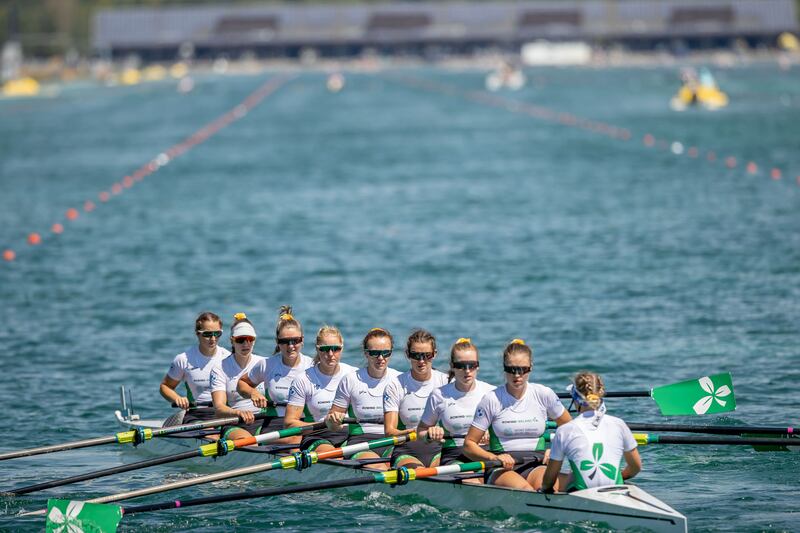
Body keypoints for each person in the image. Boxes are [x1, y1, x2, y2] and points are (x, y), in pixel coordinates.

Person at [463, 338, 571, 490]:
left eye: (522, 369)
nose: (517, 375)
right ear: (504, 368)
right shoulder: (492, 399)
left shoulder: (544, 394)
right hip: (501, 468)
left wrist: (554, 450)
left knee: (548, 487)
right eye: (512, 369)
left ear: (531, 368)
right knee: (525, 490)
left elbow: (571, 429)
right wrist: (494, 458)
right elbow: (468, 445)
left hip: (536, 464)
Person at [538, 371, 641, 493]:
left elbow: (549, 481)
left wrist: (544, 491)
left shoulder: (564, 430)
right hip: (616, 490)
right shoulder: (619, 424)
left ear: (575, 399)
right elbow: (636, 467)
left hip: (581, 495)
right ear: (600, 395)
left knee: (569, 479)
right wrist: (620, 476)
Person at [325, 327, 400, 470]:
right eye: (374, 353)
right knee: (380, 467)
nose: (381, 358)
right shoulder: (351, 380)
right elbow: (331, 425)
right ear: (366, 354)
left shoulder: (399, 379)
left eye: (386, 353)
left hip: (393, 441)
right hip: (361, 443)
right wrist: (333, 420)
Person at [417, 338, 495, 473]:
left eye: (472, 365)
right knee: (474, 480)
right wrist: (430, 435)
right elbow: (420, 432)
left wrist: (492, 431)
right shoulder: (439, 395)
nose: (467, 371)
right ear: (452, 366)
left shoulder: (491, 392)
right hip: (454, 456)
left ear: (478, 366)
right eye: (461, 366)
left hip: (486, 454)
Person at [238, 306, 313, 444]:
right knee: (295, 438)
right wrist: (253, 393)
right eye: (284, 342)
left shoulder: (312, 366)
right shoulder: (267, 365)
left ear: (302, 340)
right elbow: (241, 384)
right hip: (274, 425)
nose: (291, 346)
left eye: (295, 341)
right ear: (277, 342)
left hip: (305, 425)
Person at [284, 325, 356, 453]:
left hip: (349, 435)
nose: (330, 354)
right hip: (317, 435)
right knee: (334, 456)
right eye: (325, 349)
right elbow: (289, 423)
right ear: (317, 350)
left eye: (336, 349)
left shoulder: (353, 374)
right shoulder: (303, 380)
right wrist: (325, 425)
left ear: (342, 349)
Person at [383, 329, 448, 468]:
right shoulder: (396, 385)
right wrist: (416, 433)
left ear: (434, 354)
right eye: (416, 355)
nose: (421, 361)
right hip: (408, 451)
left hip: (441, 450)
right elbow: (389, 432)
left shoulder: (446, 382)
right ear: (408, 355)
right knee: (419, 471)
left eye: (427, 355)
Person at [160, 311, 230, 425]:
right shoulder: (183, 359)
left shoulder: (228, 357)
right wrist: (177, 399)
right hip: (197, 414)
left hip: (224, 413)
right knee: (215, 436)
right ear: (197, 333)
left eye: (217, 333)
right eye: (207, 334)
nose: (213, 338)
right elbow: (165, 387)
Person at [210, 313, 266, 440]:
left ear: (254, 340)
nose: (246, 344)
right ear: (232, 340)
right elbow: (219, 408)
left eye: (250, 339)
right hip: (235, 422)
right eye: (241, 340)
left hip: (263, 421)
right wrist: (239, 413)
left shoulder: (264, 363)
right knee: (250, 443)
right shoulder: (220, 368)